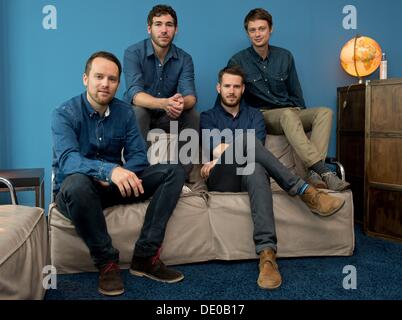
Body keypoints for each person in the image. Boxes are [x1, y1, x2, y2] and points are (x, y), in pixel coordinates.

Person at [52, 51, 186, 297]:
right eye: (99, 76)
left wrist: (121, 174)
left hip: (113, 187)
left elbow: (138, 156)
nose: (105, 84)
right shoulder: (64, 114)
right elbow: (68, 161)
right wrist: (108, 171)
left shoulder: (125, 113)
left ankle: (145, 256)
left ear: (117, 83)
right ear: (85, 79)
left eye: (112, 79)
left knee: (174, 171)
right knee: (77, 184)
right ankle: (107, 263)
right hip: (77, 191)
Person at [200, 66, 345, 289]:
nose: (231, 91)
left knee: (257, 168)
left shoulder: (255, 116)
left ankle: (267, 256)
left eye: (236, 86)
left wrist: (228, 150)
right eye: (227, 86)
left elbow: (253, 149)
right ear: (218, 88)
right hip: (222, 177)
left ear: (243, 89)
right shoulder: (207, 117)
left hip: (248, 173)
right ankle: (304, 190)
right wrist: (225, 153)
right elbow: (217, 148)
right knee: (248, 143)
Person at [227, 8, 350, 191]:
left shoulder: (285, 56)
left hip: (291, 111)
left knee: (325, 112)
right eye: (252, 30)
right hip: (265, 115)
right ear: (247, 32)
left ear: (271, 29)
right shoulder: (238, 61)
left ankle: (315, 174)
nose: (257, 34)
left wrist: (303, 117)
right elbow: (230, 93)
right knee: (287, 114)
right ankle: (324, 171)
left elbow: (295, 92)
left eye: (261, 28)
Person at [123, 4, 199, 176]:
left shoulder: (184, 58)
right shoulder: (133, 53)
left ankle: (182, 174)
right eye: (158, 24)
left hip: (167, 115)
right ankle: (139, 172)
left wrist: (179, 103)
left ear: (176, 30)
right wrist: (164, 103)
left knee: (192, 114)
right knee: (139, 112)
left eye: (169, 25)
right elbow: (135, 95)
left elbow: (191, 97)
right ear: (149, 28)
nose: (164, 30)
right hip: (141, 113)